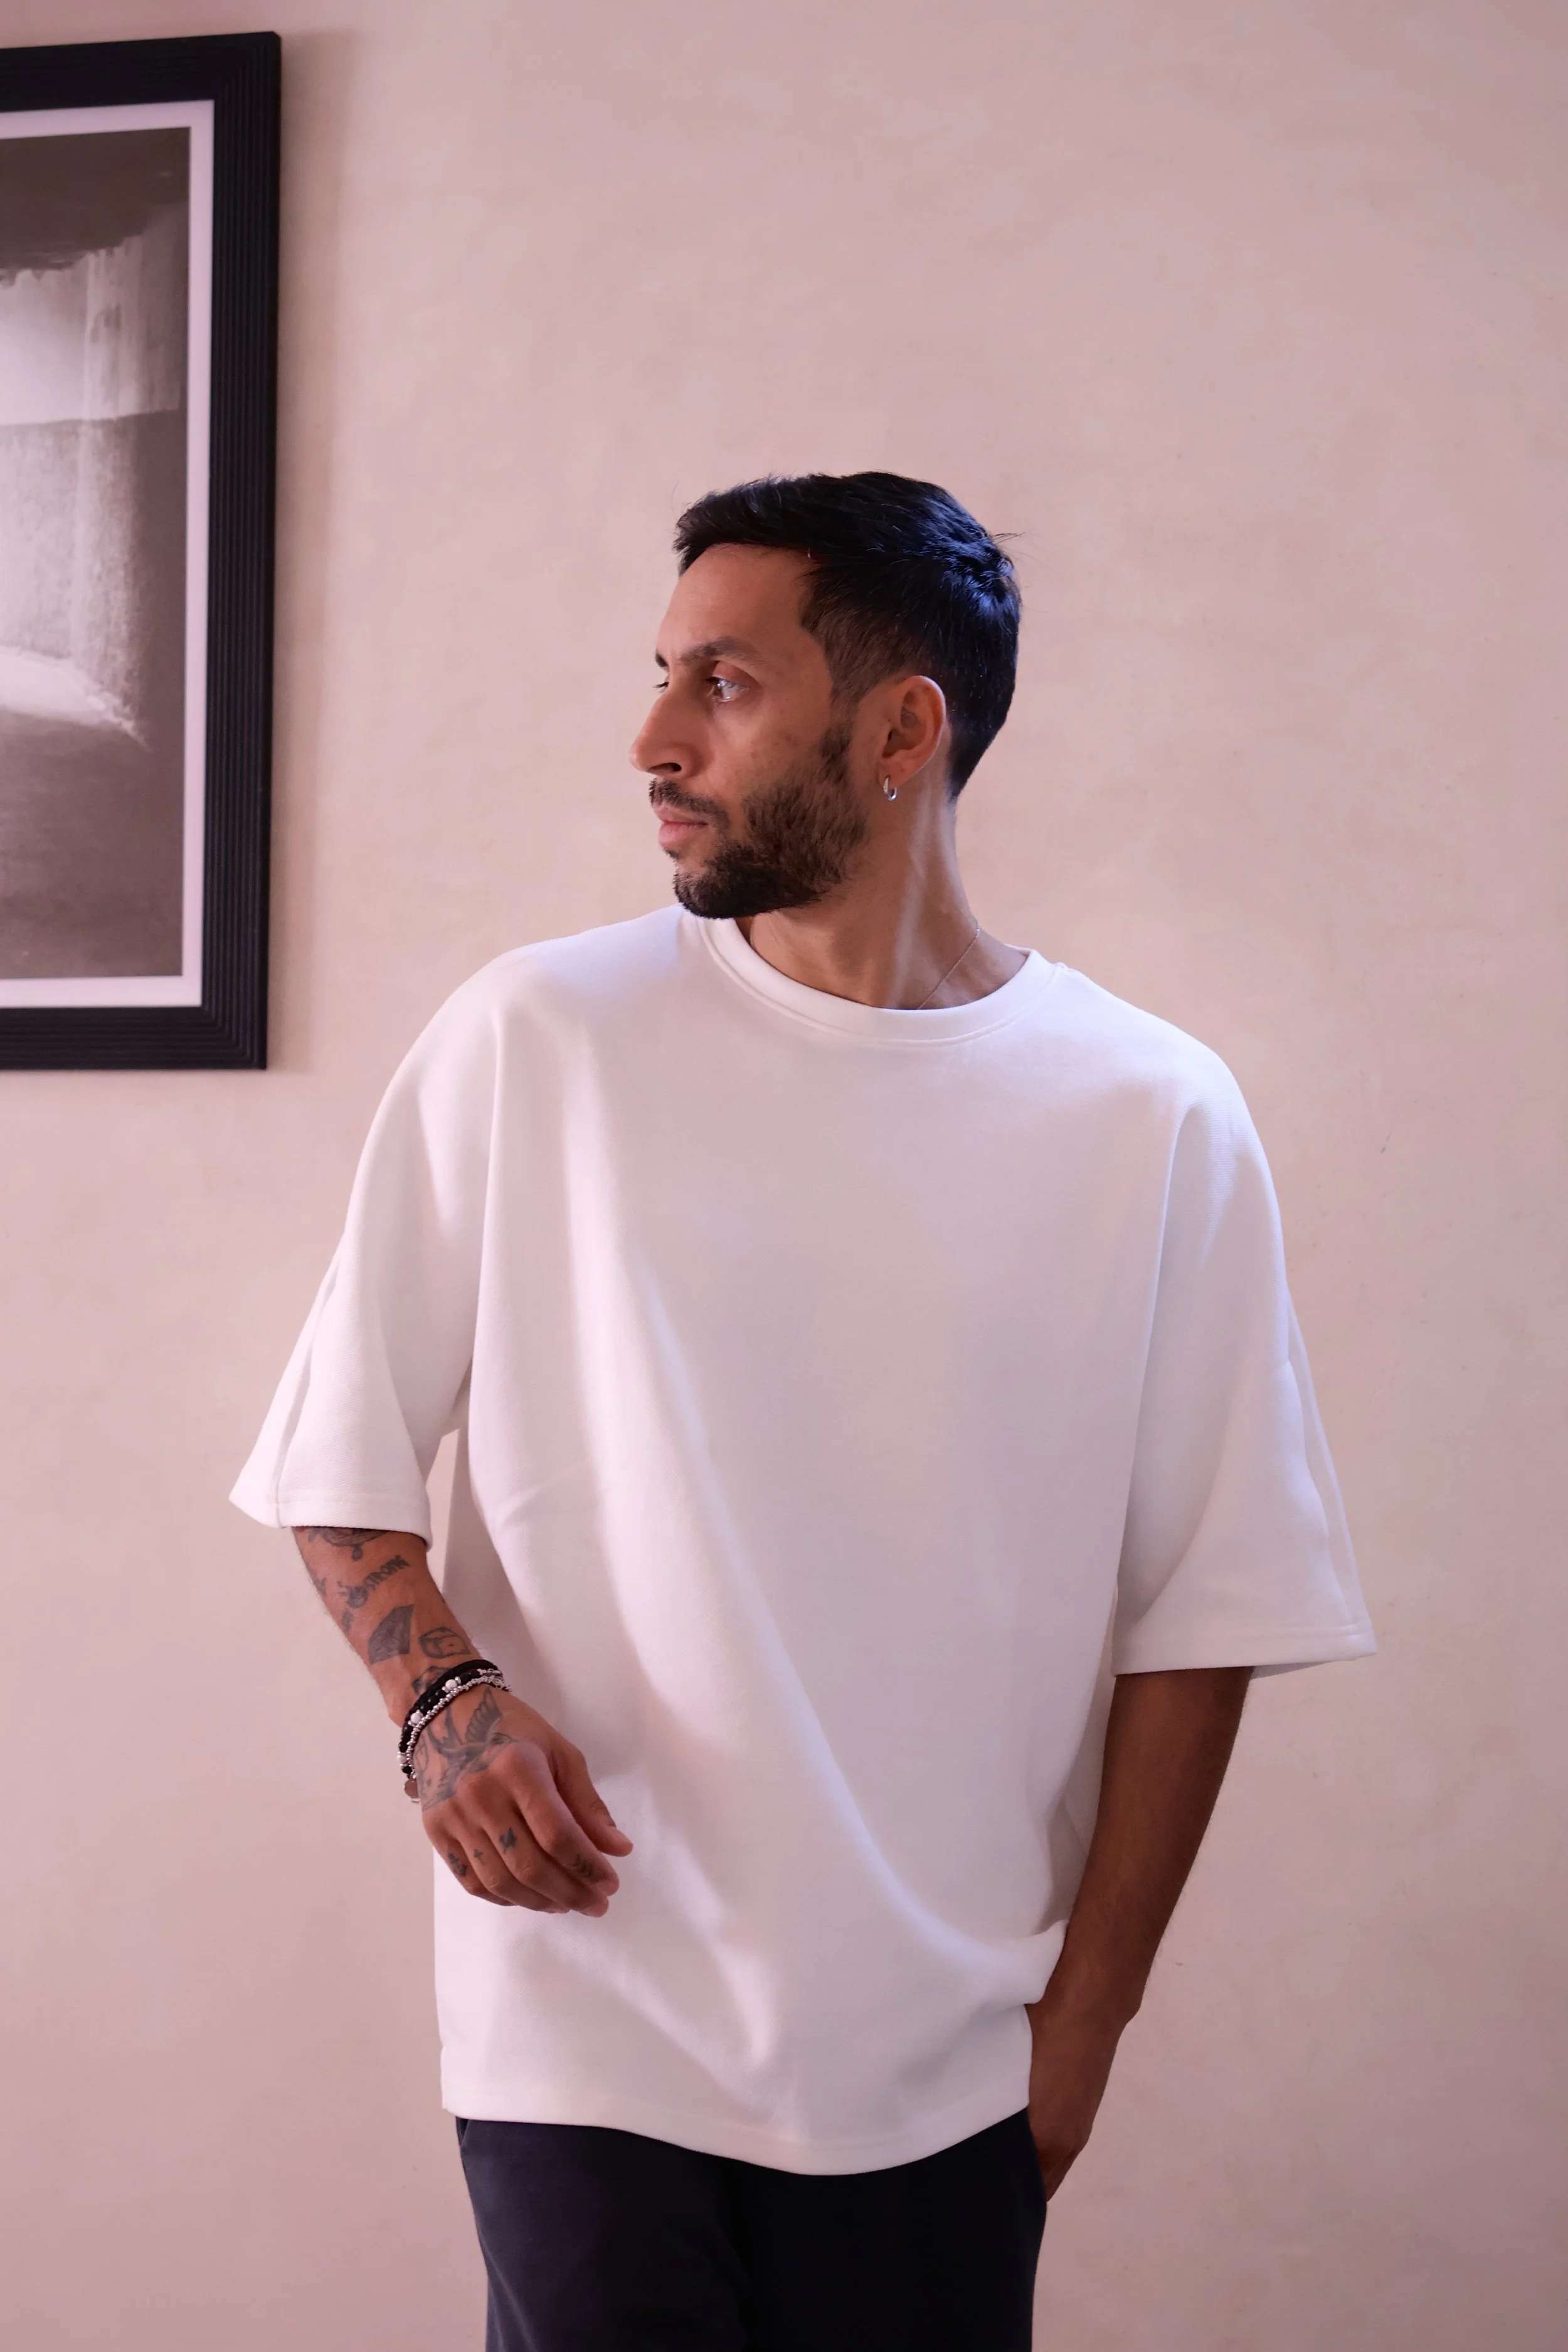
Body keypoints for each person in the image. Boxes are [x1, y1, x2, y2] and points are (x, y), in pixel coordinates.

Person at [232, 470, 1374, 2351]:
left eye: (727, 684)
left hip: (943, 2062)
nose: (654, 741)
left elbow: (1208, 1612)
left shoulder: (1151, 1116)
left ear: (902, 730)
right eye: (664, 675)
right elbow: (336, 1449)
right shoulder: (537, 1042)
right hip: (585, 2028)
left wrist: (1081, 2031)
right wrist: (442, 1706)